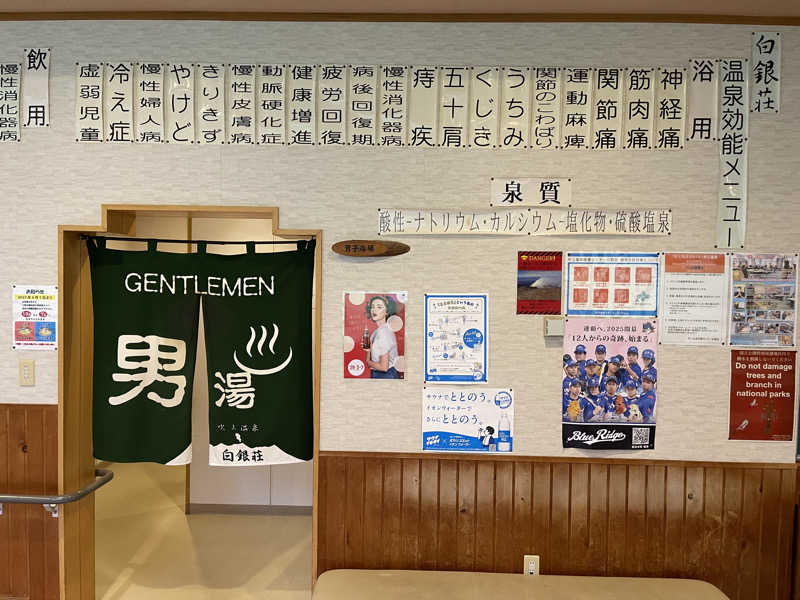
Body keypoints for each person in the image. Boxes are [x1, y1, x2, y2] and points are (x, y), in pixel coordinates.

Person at [363, 295, 400, 379]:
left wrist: (368, 361)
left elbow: (383, 367)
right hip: (384, 374)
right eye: (372, 307)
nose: (374, 310)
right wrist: (369, 350)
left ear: (387, 311)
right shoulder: (380, 330)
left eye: (379, 307)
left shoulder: (383, 332)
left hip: (384, 375)